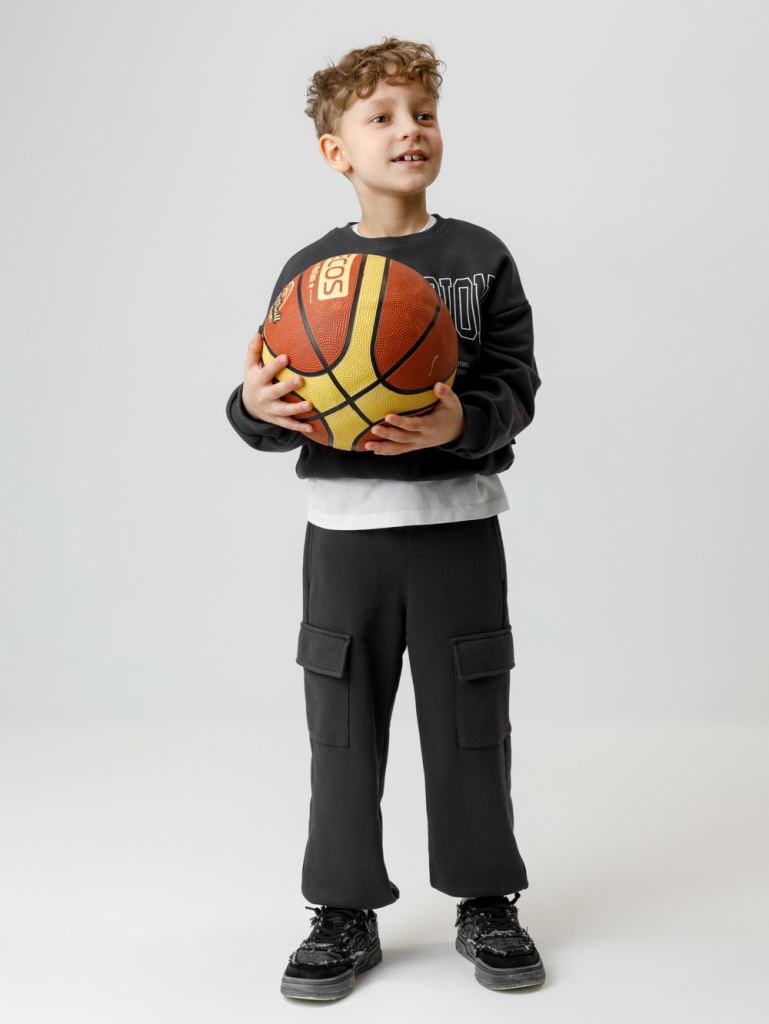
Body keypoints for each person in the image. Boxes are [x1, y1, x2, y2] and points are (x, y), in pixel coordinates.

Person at [225, 37, 545, 1001]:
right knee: (341, 730)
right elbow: (267, 399)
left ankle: (485, 900)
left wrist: (461, 423)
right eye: (381, 117)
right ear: (336, 151)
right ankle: (341, 909)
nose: (410, 131)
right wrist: (251, 406)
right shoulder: (310, 273)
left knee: (470, 725)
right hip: (344, 537)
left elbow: (516, 388)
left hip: (457, 530)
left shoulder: (479, 258)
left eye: (424, 114)